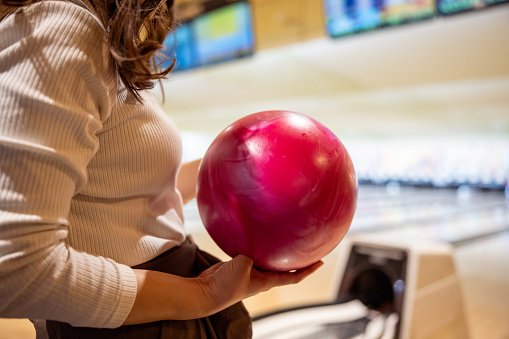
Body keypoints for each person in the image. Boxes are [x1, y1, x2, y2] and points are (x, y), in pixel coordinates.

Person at [0, 0, 323, 338]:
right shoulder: (63, 25)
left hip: (155, 313)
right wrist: (204, 293)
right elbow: (16, 268)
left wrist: (245, 167)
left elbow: (130, 193)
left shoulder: (88, 33)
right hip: (137, 323)